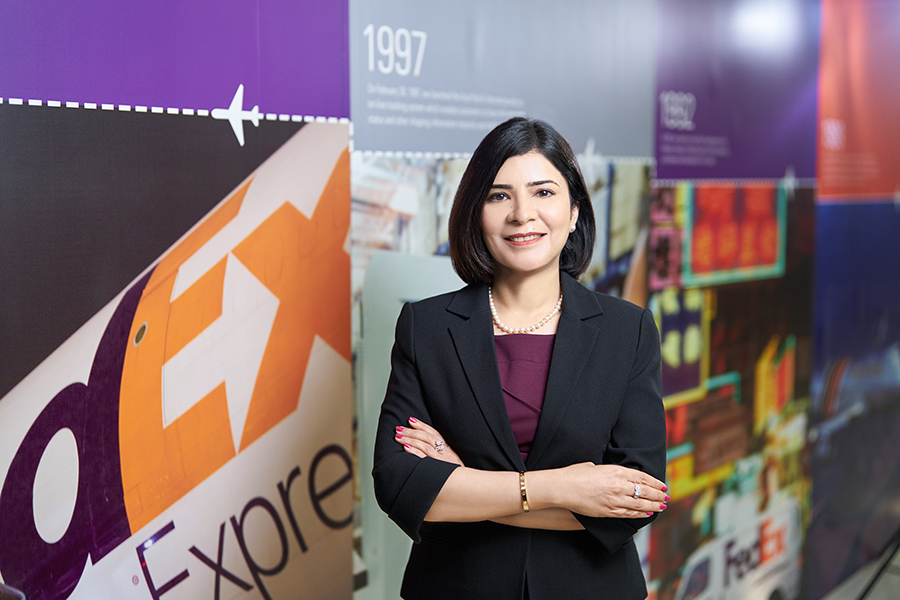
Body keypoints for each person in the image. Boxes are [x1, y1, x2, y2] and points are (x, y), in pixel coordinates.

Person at [372, 117, 667, 600]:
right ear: (475, 213)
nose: (522, 214)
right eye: (499, 195)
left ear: (574, 211)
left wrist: (464, 484)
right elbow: (399, 482)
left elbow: (637, 499)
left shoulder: (627, 331)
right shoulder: (425, 328)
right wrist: (563, 488)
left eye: (544, 192)